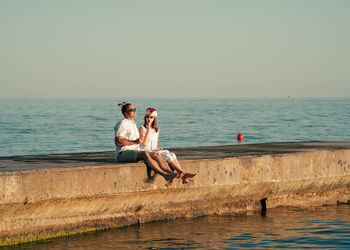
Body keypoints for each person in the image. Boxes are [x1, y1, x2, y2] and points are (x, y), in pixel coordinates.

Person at [114, 102, 177, 182]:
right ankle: (165, 175)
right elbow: (118, 141)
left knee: (156, 154)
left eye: (135, 109)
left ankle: (171, 174)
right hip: (123, 153)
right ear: (125, 113)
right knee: (144, 153)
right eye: (132, 110)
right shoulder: (123, 123)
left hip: (135, 151)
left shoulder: (132, 123)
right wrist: (135, 142)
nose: (134, 111)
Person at [139, 107, 196, 184]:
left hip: (154, 150)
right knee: (163, 154)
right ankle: (182, 174)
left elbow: (155, 145)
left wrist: (159, 149)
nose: (149, 119)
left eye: (151, 117)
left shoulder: (157, 130)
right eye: (147, 117)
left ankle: (181, 173)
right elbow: (144, 144)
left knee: (171, 154)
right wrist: (148, 130)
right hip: (145, 151)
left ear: (154, 118)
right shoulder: (142, 128)